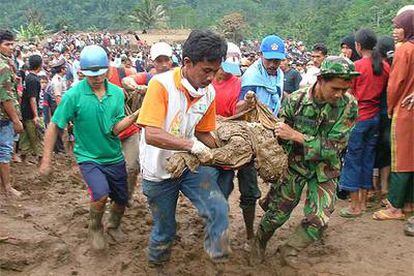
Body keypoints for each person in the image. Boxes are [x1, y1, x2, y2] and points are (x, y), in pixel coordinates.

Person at [250, 56, 359, 267]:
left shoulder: (349, 106)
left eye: (344, 89)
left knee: (319, 219)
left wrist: (297, 136)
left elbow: (334, 147)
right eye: (335, 88)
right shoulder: (296, 101)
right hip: (294, 166)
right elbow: (279, 133)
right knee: (276, 215)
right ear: (321, 80)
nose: (339, 94)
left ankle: (289, 249)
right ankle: (259, 242)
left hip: (325, 170)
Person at [137, 30, 230, 266]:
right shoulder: (161, 86)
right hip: (158, 171)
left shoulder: (208, 93)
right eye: (206, 70)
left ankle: (217, 259)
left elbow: (203, 132)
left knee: (218, 208)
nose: (211, 77)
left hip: (189, 165)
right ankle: (156, 264)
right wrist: (192, 145)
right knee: (165, 228)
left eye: (215, 71)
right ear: (187, 63)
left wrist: (226, 152)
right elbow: (152, 134)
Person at [39, 45, 140, 250]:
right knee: (101, 194)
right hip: (89, 157)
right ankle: (94, 227)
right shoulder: (73, 96)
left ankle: (113, 225)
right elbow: (54, 125)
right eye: (90, 74)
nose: (95, 77)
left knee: (121, 198)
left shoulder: (117, 94)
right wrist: (46, 159)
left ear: (108, 69)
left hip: (113, 156)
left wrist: (135, 116)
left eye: (100, 72)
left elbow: (114, 129)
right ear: (82, 72)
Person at [339, 29, 390, 218]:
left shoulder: (357, 66)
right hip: (375, 118)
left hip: (359, 119)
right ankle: (363, 200)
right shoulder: (384, 66)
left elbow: (347, 94)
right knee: (368, 160)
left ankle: (354, 206)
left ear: (358, 46)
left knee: (353, 160)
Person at [212, 42, 257, 246]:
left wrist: (247, 103)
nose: (227, 73)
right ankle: (219, 233)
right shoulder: (207, 83)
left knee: (249, 192)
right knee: (221, 190)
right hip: (216, 143)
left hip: (241, 142)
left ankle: (250, 234)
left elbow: (237, 107)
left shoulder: (239, 83)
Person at [119, 42, 174, 206]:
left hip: (171, 127)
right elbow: (126, 80)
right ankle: (128, 197)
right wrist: (138, 87)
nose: (163, 64)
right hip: (150, 129)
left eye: (166, 60)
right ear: (153, 62)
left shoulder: (177, 79)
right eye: (159, 60)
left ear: (171, 61)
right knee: (142, 165)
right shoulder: (149, 78)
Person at [373, 10, 414, 221]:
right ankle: (408, 203)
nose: (395, 30)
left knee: (400, 158)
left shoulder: (404, 49)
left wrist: (390, 108)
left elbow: (395, 84)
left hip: (404, 111)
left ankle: (394, 207)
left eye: (399, 26)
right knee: (412, 157)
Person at [0, 29, 24, 198]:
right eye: (7, 44)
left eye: (12, 44)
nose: (11, 47)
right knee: (5, 151)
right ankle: (7, 188)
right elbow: (5, 97)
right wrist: (16, 119)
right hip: (4, 116)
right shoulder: (3, 67)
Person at [19, 55, 43, 162]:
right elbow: (32, 98)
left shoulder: (28, 77)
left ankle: (23, 158)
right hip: (30, 112)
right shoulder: (34, 80)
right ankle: (41, 159)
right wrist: (36, 115)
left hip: (24, 111)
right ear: (40, 65)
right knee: (36, 136)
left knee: (25, 136)